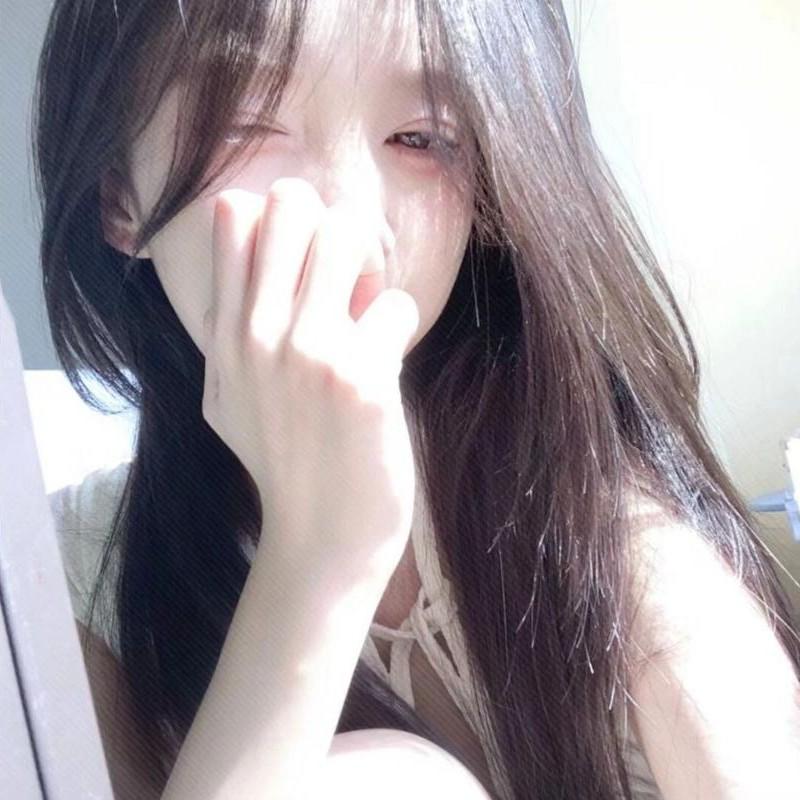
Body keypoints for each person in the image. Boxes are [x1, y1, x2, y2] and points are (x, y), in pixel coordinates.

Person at [32, 0, 800, 798]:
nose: (352, 220)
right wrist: (315, 556)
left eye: (423, 139)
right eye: (244, 120)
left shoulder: (599, 522)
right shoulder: (80, 585)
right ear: (118, 196)